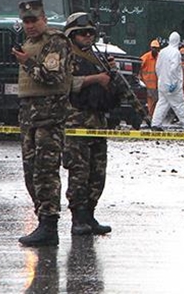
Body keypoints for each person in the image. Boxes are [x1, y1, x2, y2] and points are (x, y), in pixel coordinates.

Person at [11, 0, 72, 247]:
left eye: (34, 20)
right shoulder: (30, 44)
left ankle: (49, 225)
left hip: (49, 117)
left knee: (46, 173)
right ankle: (42, 220)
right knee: (31, 172)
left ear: (44, 19)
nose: (30, 25)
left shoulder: (55, 42)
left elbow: (51, 76)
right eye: (26, 21)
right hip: (30, 117)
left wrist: (26, 61)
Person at [62, 13, 118, 236]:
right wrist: (95, 79)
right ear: (72, 35)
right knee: (79, 171)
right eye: (82, 33)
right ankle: (78, 218)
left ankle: (90, 215)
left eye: (90, 33)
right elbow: (65, 83)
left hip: (97, 121)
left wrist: (110, 73)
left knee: (97, 172)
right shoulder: (67, 56)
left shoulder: (97, 57)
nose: (87, 37)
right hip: (76, 121)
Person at [150, 31, 184, 131]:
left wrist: (161, 79)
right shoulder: (176, 53)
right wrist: (173, 83)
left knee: (162, 104)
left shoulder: (162, 52)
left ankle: (155, 124)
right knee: (180, 105)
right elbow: (174, 68)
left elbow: (157, 67)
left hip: (162, 84)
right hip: (172, 85)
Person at [140, 39, 160, 117]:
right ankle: (150, 116)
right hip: (148, 84)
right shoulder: (146, 57)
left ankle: (153, 117)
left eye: (156, 48)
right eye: (153, 47)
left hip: (157, 85)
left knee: (155, 102)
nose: (154, 49)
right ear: (151, 48)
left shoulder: (160, 57)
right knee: (150, 102)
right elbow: (139, 66)